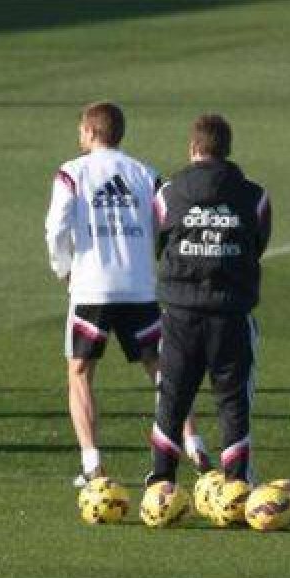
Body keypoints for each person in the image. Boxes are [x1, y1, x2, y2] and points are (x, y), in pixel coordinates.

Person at [44, 102, 207, 487]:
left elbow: (56, 227)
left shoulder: (72, 173)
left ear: (88, 132)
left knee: (80, 372)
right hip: (138, 287)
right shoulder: (145, 173)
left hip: (91, 287)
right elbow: (164, 225)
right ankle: (192, 440)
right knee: (164, 369)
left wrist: (63, 267)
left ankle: (92, 462)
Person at [148, 114, 271, 485]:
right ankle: (236, 484)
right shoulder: (254, 196)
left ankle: (162, 482)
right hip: (230, 312)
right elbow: (258, 245)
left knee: (172, 397)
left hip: (180, 314)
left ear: (193, 148)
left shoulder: (170, 192)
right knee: (233, 401)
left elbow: (158, 243)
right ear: (227, 150)